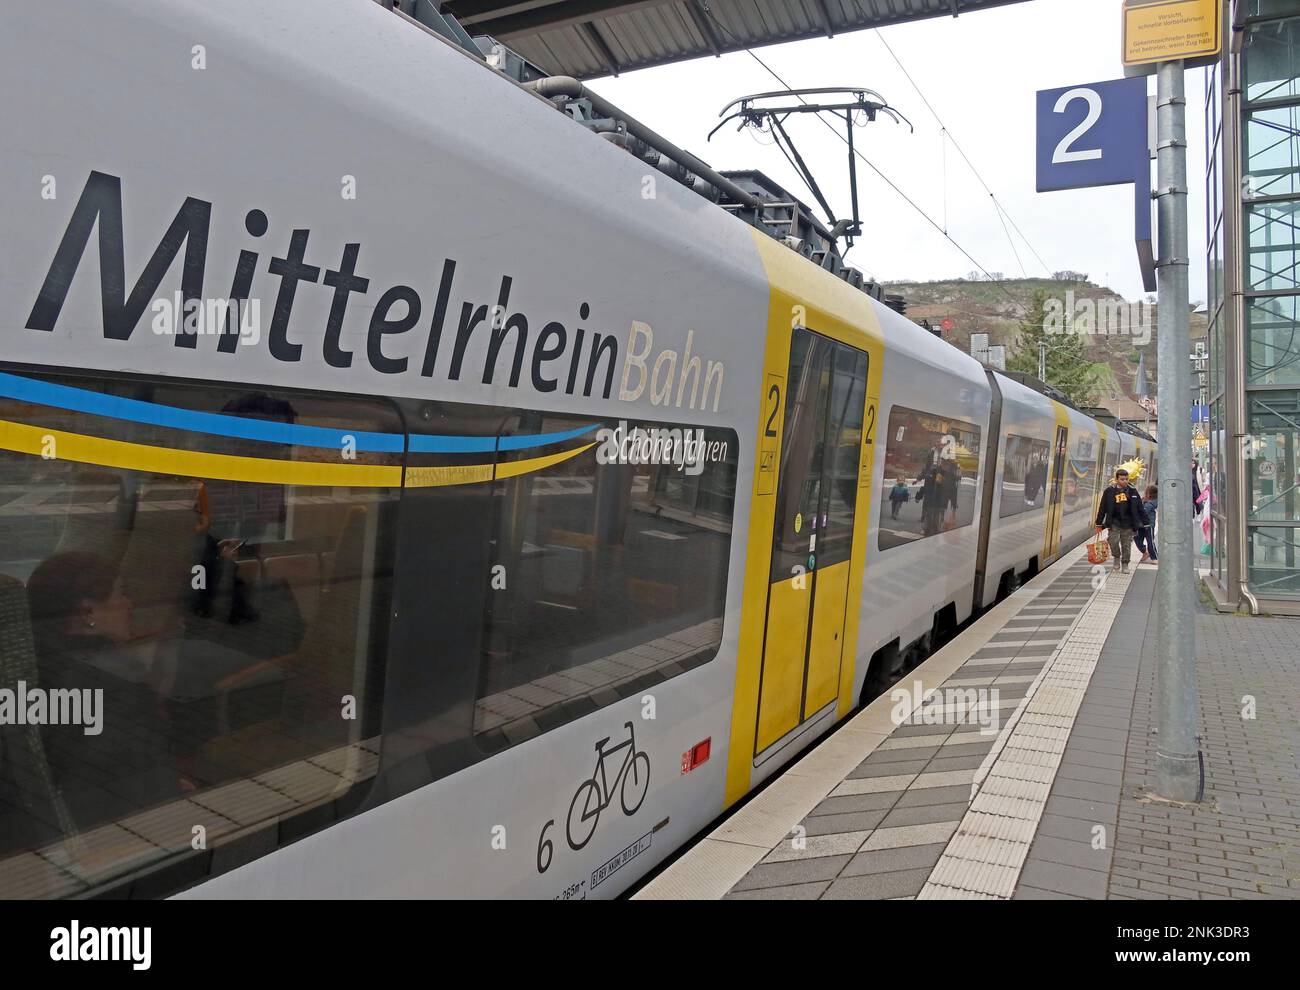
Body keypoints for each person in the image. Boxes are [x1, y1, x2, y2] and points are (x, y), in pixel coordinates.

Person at [1095, 467, 1146, 573]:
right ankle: (1116, 557)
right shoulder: (1109, 491)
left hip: (1129, 523)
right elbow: (1103, 507)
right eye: (1122, 479)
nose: (1125, 481)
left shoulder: (1132, 491)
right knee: (1113, 541)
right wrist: (1098, 523)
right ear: (1117, 479)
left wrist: (1145, 522)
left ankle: (1125, 563)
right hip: (1114, 522)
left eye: (1127, 479)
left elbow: (1140, 507)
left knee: (1126, 544)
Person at [1136, 483, 1159, 564]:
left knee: (1150, 542)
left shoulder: (1152, 502)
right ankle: (1145, 552)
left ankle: (1154, 557)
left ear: (1148, 493)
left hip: (1149, 525)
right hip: (1140, 525)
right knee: (1137, 539)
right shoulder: (1143, 500)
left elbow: (1144, 511)